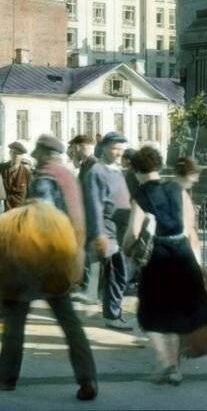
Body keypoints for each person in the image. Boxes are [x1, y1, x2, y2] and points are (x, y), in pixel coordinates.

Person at [0, 134, 98, 400]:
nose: (36, 156)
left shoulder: (44, 178)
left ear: (44, 153)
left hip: (36, 260)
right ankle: (87, 378)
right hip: (64, 259)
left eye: (39, 152)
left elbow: (42, 215)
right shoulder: (69, 177)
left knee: (14, 320)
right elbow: (80, 218)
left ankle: (5, 377)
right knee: (69, 323)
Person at [124, 146, 207, 384]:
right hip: (182, 253)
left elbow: (132, 233)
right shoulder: (177, 189)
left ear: (136, 171)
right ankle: (176, 369)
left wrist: (127, 250)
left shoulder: (141, 195)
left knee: (150, 312)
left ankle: (165, 361)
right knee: (176, 312)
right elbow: (189, 227)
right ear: (159, 166)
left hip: (158, 256)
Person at [83, 131, 132, 330]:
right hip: (108, 230)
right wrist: (100, 235)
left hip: (120, 230)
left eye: (121, 149)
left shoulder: (116, 170)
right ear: (103, 147)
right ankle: (112, 316)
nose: (118, 152)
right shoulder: (97, 171)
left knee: (119, 273)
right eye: (114, 148)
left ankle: (113, 312)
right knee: (116, 273)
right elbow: (94, 206)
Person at [67, 135, 98, 303]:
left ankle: (91, 289)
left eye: (75, 148)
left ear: (81, 147)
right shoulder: (86, 164)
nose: (74, 152)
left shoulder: (94, 165)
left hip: (92, 215)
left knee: (91, 253)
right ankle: (87, 287)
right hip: (85, 214)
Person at [0, 141, 32, 211]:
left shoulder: (26, 173)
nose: (16, 156)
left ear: (22, 156)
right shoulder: (0, 169)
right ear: (10, 153)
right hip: (2, 211)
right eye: (14, 152)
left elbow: (30, 195)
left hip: (19, 212)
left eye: (19, 154)